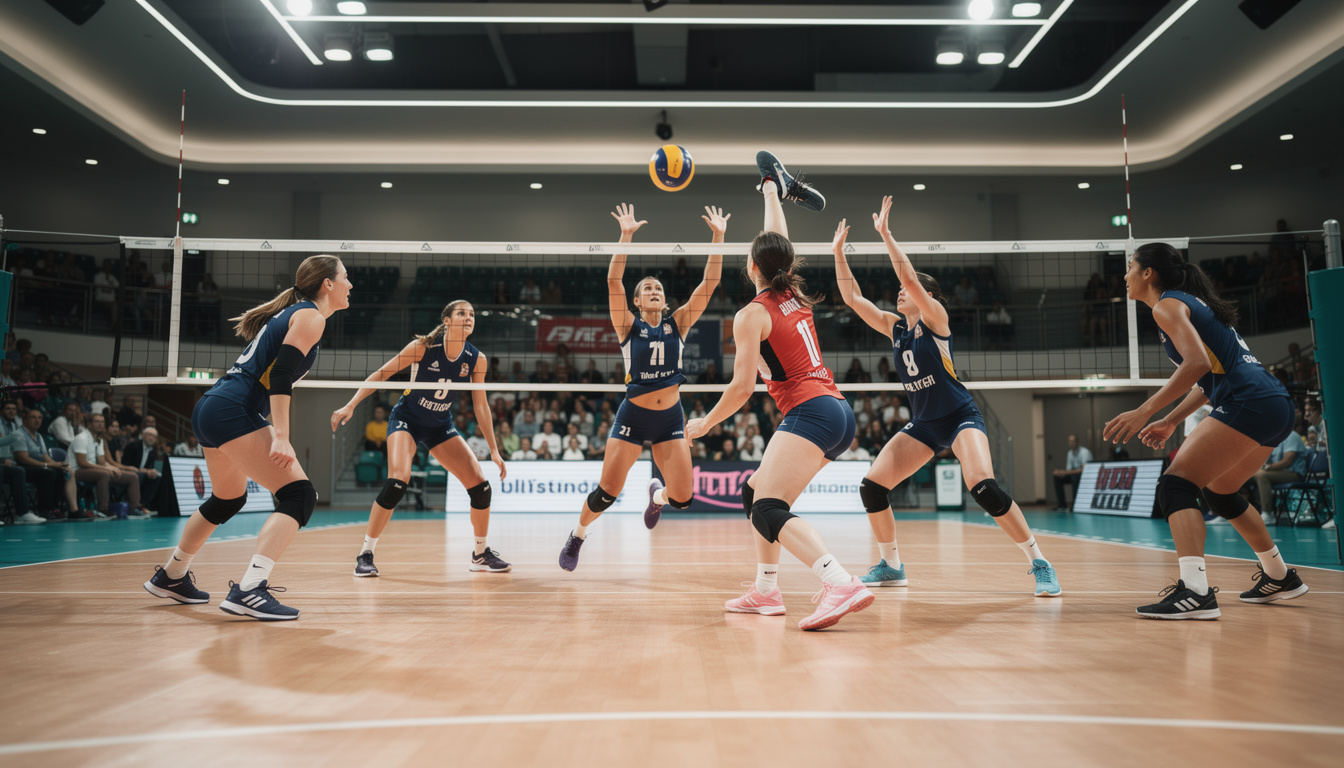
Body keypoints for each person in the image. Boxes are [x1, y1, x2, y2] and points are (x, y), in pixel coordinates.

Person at [832, 196, 1061, 597]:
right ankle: (891, 566)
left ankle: (1039, 561)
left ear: (925, 296)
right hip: (924, 425)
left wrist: (886, 235)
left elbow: (910, 281)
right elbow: (853, 299)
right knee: (872, 487)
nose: (899, 294)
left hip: (959, 416)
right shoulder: (895, 328)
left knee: (983, 486)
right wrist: (837, 253)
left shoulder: (936, 319)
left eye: (907, 291)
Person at [686, 151, 875, 632]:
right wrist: (772, 188)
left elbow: (742, 386)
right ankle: (767, 591)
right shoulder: (790, 289)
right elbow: (778, 243)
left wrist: (704, 424)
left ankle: (840, 582)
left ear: (750, 265)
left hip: (811, 413)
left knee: (769, 508)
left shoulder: (752, 314)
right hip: (836, 413)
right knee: (754, 494)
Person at [1103, 242, 1309, 619]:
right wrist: (1170, 420)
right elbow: (1206, 379)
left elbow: (1196, 363)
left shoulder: (1167, 305)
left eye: (1130, 266)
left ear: (1148, 273)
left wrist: (1144, 410)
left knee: (1175, 485)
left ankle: (1195, 592)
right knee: (1222, 493)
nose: (1126, 275)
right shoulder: (1192, 305)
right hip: (1274, 402)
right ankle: (1280, 576)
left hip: (1249, 401)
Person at [142, 255, 351, 620]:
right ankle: (251, 589)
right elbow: (282, 375)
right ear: (327, 284)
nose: (351, 285)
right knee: (299, 495)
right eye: (346, 277)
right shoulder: (310, 316)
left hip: (212, 407)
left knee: (227, 499)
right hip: (232, 409)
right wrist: (281, 436)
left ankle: (172, 576)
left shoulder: (296, 314)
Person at [558, 201, 726, 568]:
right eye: (647, 288)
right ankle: (578, 536)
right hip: (633, 415)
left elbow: (710, 283)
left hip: (669, 420)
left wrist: (718, 236)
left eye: (658, 288)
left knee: (683, 499)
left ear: (665, 300)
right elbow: (612, 281)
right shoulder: (627, 326)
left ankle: (658, 497)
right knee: (606, 494)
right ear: (636, 301)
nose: (654, 290)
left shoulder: (677, 323)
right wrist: (625, 237)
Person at [333, 300, 510, 578]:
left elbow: (481, 407)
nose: (468, 318)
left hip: (440, 425)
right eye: (462, 313)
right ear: (447, 320)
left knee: (481, 487)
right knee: (397, 481)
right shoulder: (424, 348)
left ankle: (480, 554)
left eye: (472, 314)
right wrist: (351, 404)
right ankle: (365, 553)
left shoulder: (477, 359)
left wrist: (494, 450)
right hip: (407, 420)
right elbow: (382, 374)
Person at [68, 412, 141, 520]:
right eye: (97, 421)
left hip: (93, 470)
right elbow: (82, 463)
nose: (100, 424)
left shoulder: (100, 440)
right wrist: (106, 468)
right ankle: (103, 509)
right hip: (77, 471)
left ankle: (134, 508)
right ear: (89, 424)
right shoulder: (81, 438)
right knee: (104, 474)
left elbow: (102, 461)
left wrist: (112, 467)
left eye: (102, 422)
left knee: (132, 476)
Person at [15, 408, 79, 520]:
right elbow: (23, 459)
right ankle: (44, 510)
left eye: (39, 418)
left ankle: (56, 508)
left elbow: (45, 456)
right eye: (33, 417)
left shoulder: (38, 436)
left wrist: (57, 464)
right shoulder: (19, 434)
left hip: (41, 467)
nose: (37, 420)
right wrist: (50, 465)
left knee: (61, 472)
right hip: (25, 467)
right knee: (49, 473)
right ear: (25, 420)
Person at [1251, 428, 1307, 525]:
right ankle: (1233, 513)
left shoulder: (1292, 436)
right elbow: (1264, 460)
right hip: (1276, 472)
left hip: (1293, 474)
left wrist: (1266, 467)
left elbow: (1287, 461)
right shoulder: (1274, 438)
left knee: (1262, 476)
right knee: (1243, 476)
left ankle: (1268, 514)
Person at [121, 426, 164, 515]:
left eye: (154, 436)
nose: (151, 438)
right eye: (149, 435)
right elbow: (126, 465)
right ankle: (135, 505)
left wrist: (152, 471)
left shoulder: (153, 450)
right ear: (143, 435)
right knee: (139, 475)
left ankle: (144, 505)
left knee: (157, 477)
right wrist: (144, 471)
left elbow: (149, 467)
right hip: (128, 471)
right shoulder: (133, 446)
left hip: (142, 474)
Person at [1052, 434, 1092, 511]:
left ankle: (1075, 504)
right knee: (1057, 477)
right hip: (1074, 474)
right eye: (1070, 441)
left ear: (1077, 442)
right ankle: (1062, 504)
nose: (1072, 443)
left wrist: (1066, 472)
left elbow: (1084, 469)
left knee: (1075, 477)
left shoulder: (1085, 452)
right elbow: (1069, 469)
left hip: (1085, 475)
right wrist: (1061, 472)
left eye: (1073, 441)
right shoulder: (1070, 453)